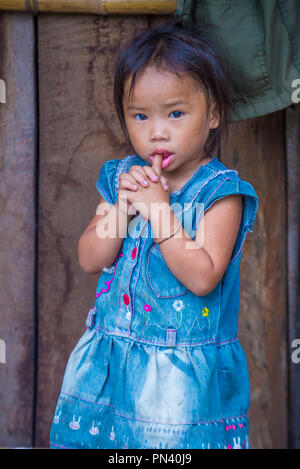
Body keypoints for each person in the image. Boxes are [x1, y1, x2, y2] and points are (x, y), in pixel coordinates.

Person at [50, 18, 259, 449]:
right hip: (113, 365)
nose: (157, 131)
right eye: (140, 116)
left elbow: (203, 277)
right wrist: (123, 209)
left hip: (180, 381)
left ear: (214, 113)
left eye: (176, 113)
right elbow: (91, 259)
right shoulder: (124, 179)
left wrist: (160, 213)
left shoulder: (221, 193)